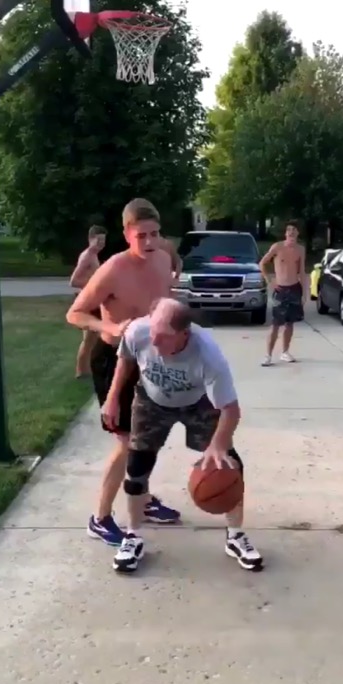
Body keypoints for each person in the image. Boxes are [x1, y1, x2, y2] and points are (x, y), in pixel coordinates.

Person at [103, 298, 262, 574]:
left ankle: (235, 535)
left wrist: (218, 445)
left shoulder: (208, 355)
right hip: (151, 401)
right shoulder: (138, 332)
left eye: (164, 337)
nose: (155, 342)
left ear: (184, 334)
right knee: (137, 467)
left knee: (230, 465)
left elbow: (231, 409)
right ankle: (133, 535)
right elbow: (125, 358)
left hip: (198, 403)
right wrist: (113, 397)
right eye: (153, 333)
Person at [66, 198, 185, 547]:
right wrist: (111, 326)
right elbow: (74, 313)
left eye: (154, 234)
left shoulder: (163, 258)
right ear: (126, 233)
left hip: (152, 358)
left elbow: (164, 297)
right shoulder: (113, 270)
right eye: (140, 236)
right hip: (113, 359)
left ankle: (142, 499)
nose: (148, 242)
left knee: (148, 435)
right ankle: (100, 518)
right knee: (126, 442)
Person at [260, 221, 307, 366]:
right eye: (289, 230)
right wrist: (269, 280)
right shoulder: (277, 247)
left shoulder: (300, 249)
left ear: (298, 233)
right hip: (280, 289)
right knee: (275, 324)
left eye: (294, 230)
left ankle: (285, 352)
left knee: (290, 323)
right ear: (286, 233)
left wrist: (305, 293)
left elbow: (302, 272)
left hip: (294, 289)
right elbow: (262, 263)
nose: (291, 232)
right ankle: (268, 355)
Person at [70, 224, 108, 378]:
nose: (101, 244)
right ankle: (81, 372)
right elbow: (74, 281)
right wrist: (94, 285)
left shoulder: (93, 255)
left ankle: (86, 370)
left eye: (103, 241)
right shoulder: (87, 256)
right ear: (90, 239)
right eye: (98, 240)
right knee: (89, 339)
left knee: (92, 338)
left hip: (92, 301)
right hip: (87, 303)